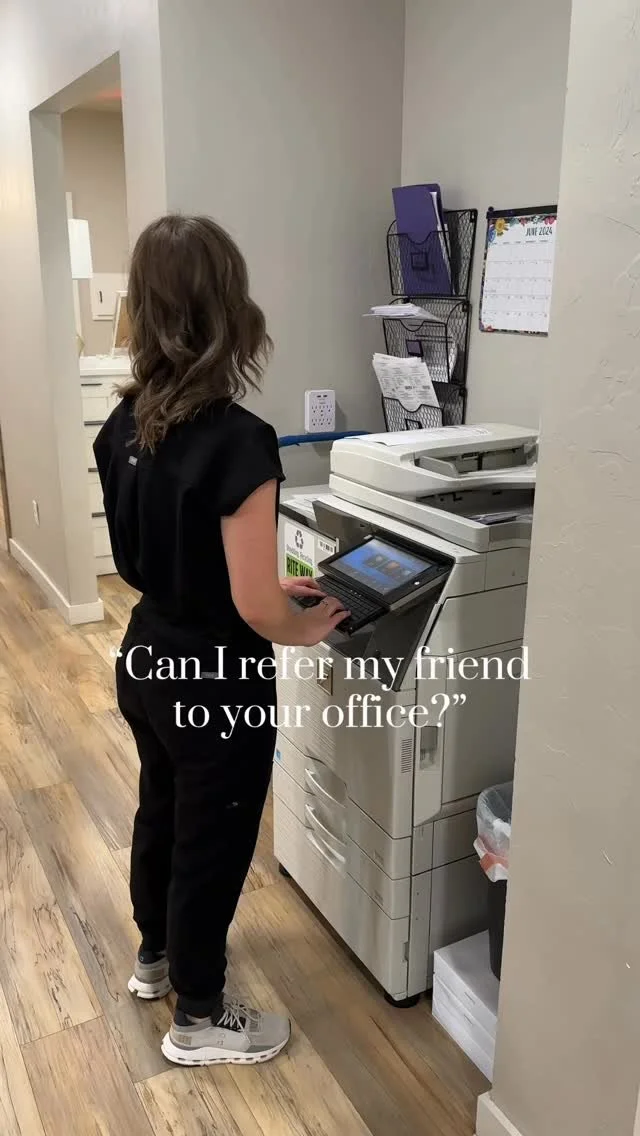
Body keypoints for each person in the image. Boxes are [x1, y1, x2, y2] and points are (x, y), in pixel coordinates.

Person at [94, 214, 348, 1067]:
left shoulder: (122, 424)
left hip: (148, 654)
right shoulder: (239, 443)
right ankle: (200, 1017)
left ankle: (156, 957)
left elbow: (179, 554)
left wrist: (267, 597)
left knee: (163, 809)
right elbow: (254, 608)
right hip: (214, 678)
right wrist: (302, 625)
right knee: (217, 837)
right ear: (228, 311)